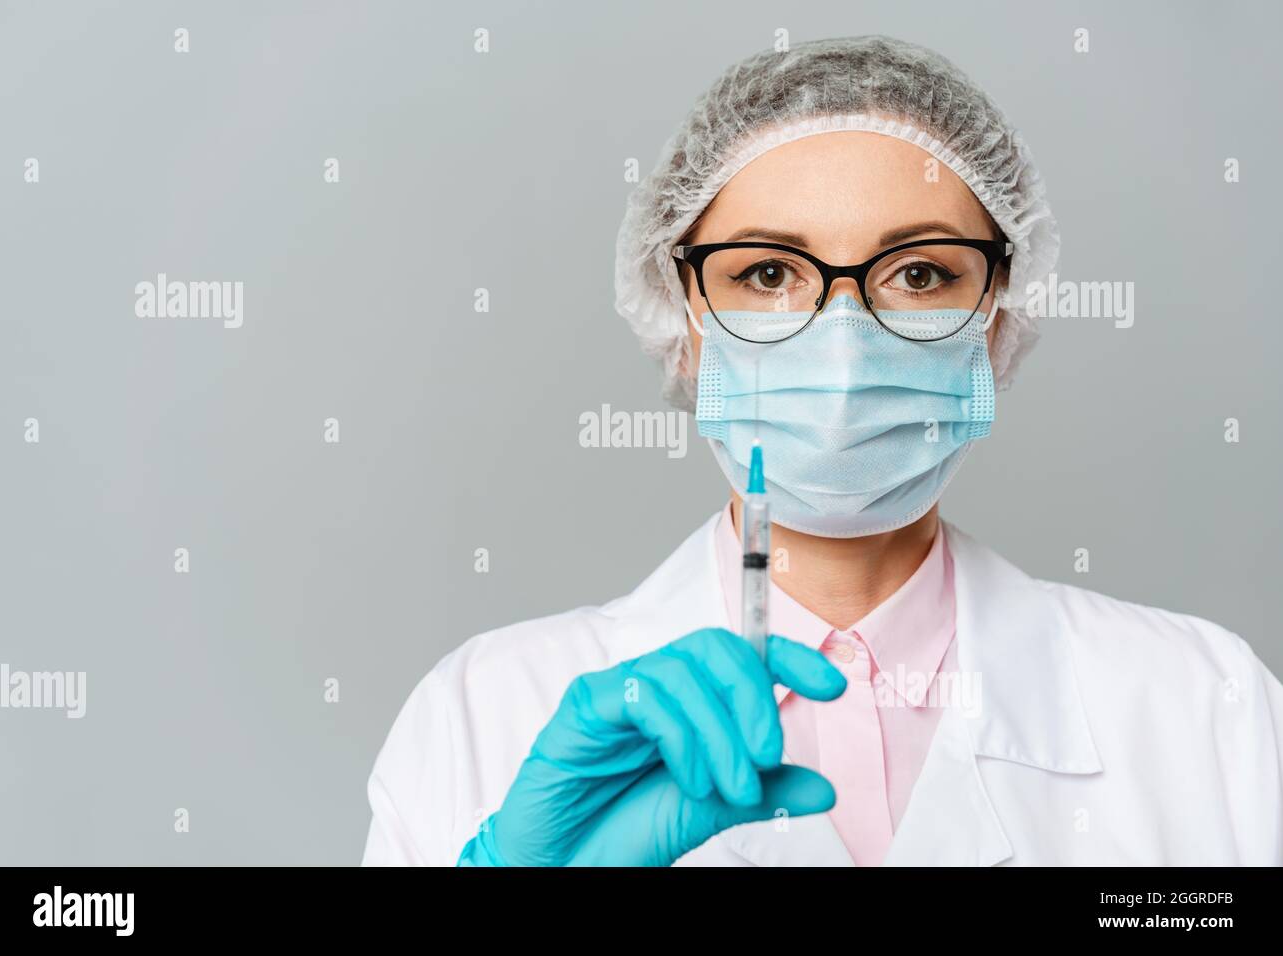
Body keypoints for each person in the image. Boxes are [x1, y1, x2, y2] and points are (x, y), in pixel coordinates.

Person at [362, 35, 1283, 866]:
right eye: (768, 274)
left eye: (920, 273)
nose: (844, 343)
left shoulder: (1206, 711)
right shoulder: (485, 718)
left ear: (1000, 320)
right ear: (681, 322)